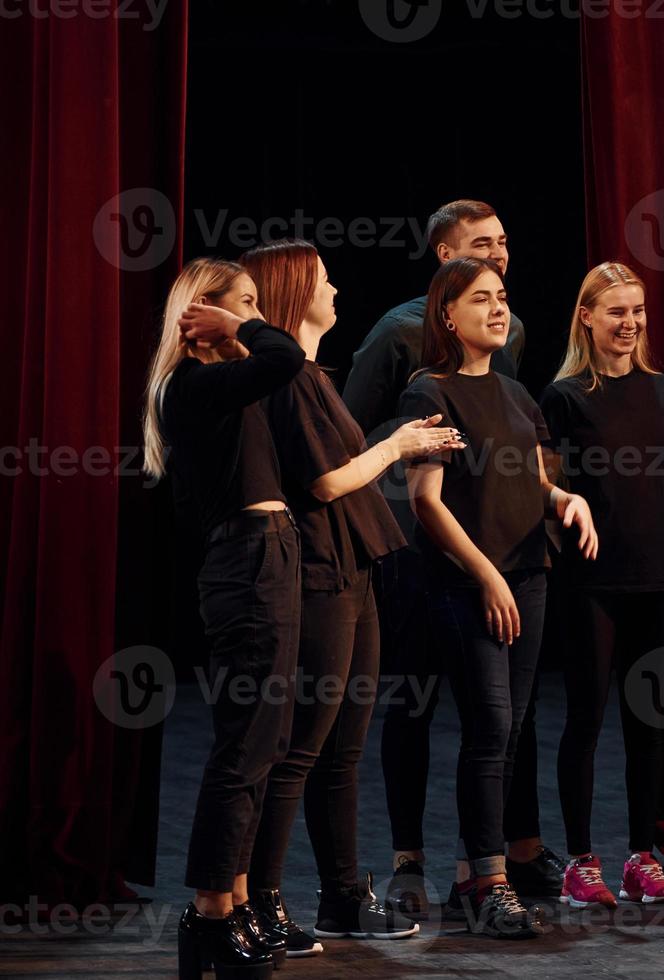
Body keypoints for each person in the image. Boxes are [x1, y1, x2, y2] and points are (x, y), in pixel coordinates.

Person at [341, 199, 568, 912]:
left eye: (504, 249)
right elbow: (351, 436)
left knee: (501, 717)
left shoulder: (511, 345)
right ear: (445, 264)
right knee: (416, 701)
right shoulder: (399, 340)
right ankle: (413, 856)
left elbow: (513, 438)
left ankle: (497, 860)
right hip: (420, 544)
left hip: (501, 546)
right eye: (481, 251)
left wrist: (556, 498)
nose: (498, 262)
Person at [238, 239, 453, 954]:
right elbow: (326, 483)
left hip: (354, 567)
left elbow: (339, 467)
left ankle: (339, 895)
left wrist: (394, 438)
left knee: (342, 751)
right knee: (300, 748)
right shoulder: (286, 378)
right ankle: (262, 901)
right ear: (297, 293)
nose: (338, 289)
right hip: (321, 573)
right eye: (325, 280)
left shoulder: (316, 377)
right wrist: (395, 446)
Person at [399, 256, 598, 939]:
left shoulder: (519, 396)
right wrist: (485, 575)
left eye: (502, 297)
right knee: (488, 729)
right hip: (469, 583)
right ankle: (490, 882)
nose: (497, 308)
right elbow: (426, 501)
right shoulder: (429, 391)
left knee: (511, 730)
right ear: (447, 315)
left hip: (531, 573)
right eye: (480, 298)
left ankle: (468, 877)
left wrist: (565, 497)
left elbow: (530, 481)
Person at [144, 258, 304, 979]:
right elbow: (285, 353)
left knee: (264, 741)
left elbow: (285, 367)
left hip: (267, 556)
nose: (253, 318)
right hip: (246, 563)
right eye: (239, 306)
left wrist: (239, 326)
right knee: (244, 744)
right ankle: (210, 913)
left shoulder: (222, 389)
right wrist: (244, 328)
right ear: (202, 316)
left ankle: (230, 902)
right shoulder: (192, 386)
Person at [540, 261, 664, 908]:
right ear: (588, 317)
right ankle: (580, 860)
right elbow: (545, 485)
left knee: (649, 722)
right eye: (616, 313)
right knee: (585, 717)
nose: (629, 324)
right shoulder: (565, 395)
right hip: (592, 579)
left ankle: (640, 858)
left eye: (638, 313)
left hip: (661, 574)